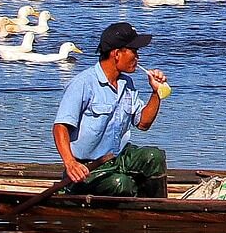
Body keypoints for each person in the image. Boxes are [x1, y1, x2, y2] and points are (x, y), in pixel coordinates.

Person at [52, 22, 170, 198]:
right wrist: (71, 164)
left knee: (154, 156)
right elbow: (60, 127)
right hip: (89, 167)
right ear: (116, 54)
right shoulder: (83, 84)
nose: (137, 57)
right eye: (134, 51)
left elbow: (143, 123)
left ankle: (157, 209)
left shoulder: (127, 84)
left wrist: (156, 92)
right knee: (121, 184)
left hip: (119, 157)